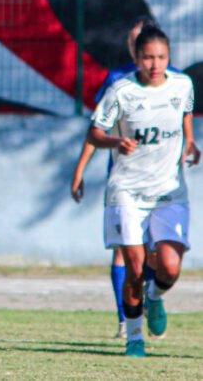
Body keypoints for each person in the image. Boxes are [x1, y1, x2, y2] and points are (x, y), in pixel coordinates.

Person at [86, 25, 199, 357]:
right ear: (136, 58)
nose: (155, 64)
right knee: (134, 267)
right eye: (148, 57)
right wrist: (115, 141)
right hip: (128, 191)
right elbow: (94, 133)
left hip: (168, 191)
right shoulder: (121, 91)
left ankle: (154, 297)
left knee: (170, 267)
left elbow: (185, 112)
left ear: (169, 56)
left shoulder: (182, 84)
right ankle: (134, 337)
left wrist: (189, 141)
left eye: (161, 57)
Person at [70, 17, 177, 339]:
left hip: (162, 183)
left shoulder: (175, 82)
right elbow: (97, 128)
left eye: (139, 39)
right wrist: (79, 171)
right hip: (124, 180)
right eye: (131, 40)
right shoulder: (117, 79)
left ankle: (152, 299)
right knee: (125, 251)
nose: (134, 45)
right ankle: (125, 319)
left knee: (157, 254)